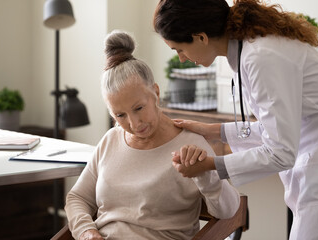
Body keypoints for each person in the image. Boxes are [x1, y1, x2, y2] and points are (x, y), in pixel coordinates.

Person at [153, 0, 318, 239]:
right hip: (312, 151)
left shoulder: (260, 57)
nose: (182, 58)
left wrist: (211, 165)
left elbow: (280, 151)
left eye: (179, 49)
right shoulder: (249, 51)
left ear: (201, 37)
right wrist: (211, 130)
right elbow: (277, 129)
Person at [64, 30, 240, 240]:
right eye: (120, 115)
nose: (134, 123)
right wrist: (87, 233)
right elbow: (77, 198)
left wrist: (204, 174)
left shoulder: (191, 144)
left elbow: (229, 211)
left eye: (139, 108)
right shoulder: (111, 140)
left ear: (156, 92)